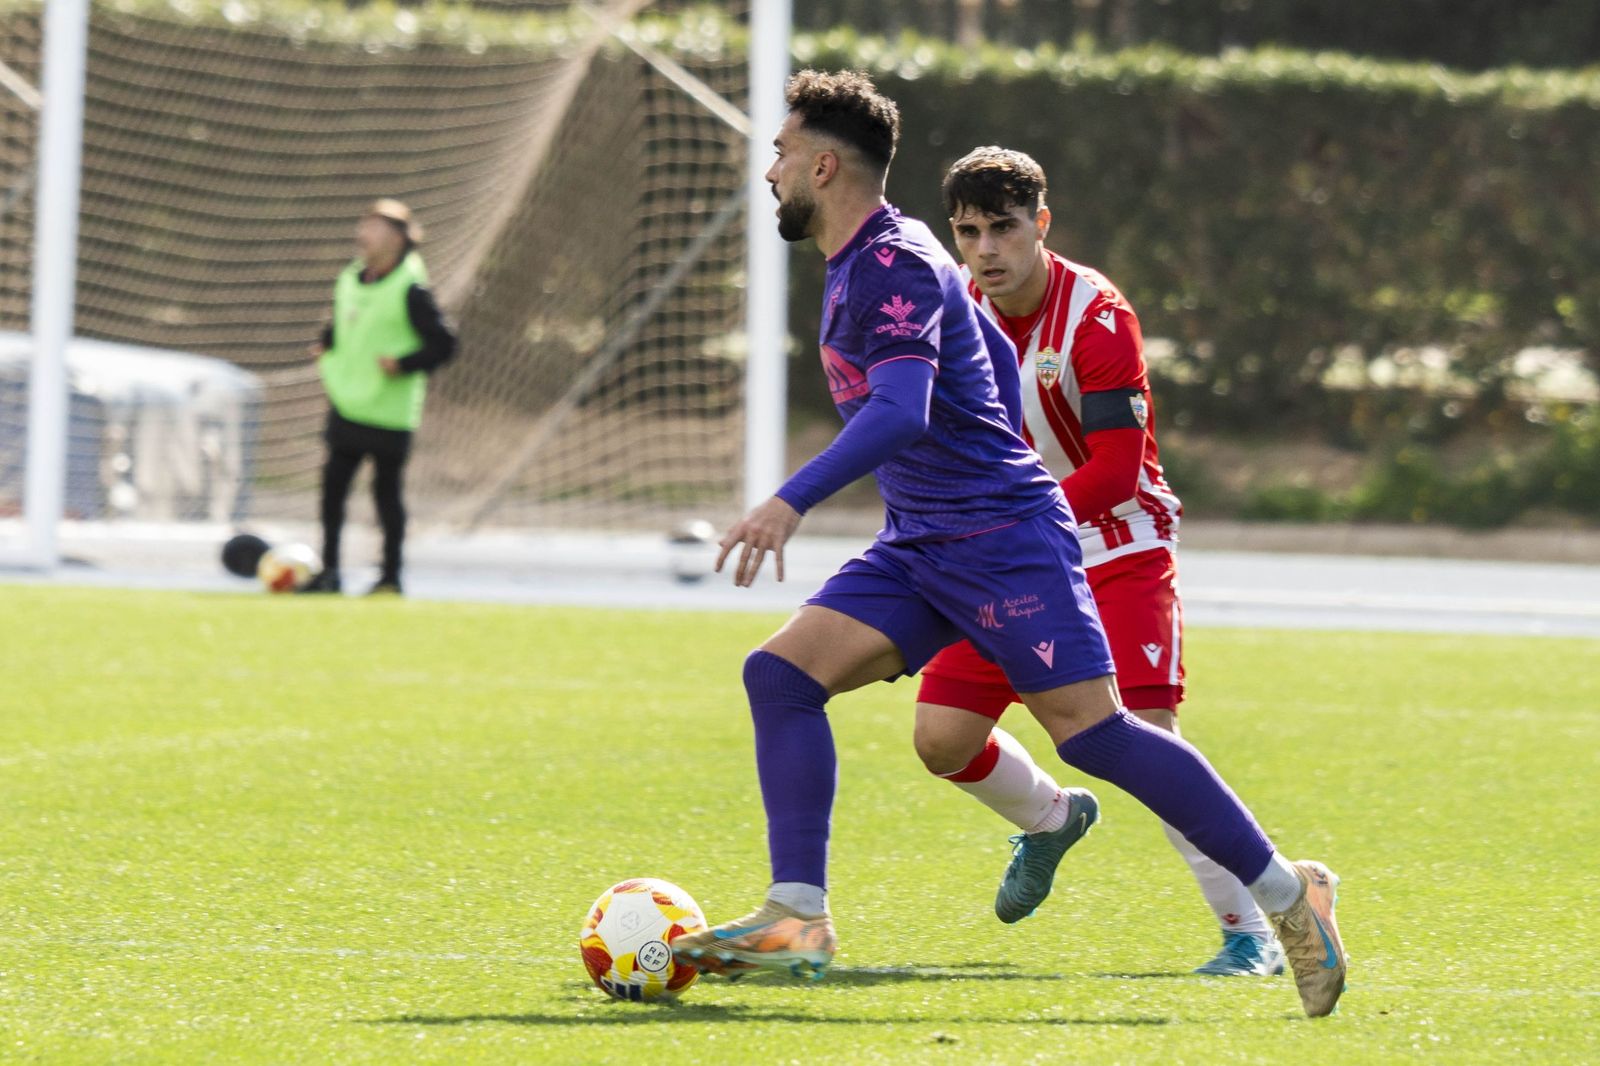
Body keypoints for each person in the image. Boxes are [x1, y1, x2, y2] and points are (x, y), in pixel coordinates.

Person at [668, 70, 1347, 1018]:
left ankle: (1286, 896)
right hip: (924, 543)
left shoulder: (893, 261)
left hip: (999, 538)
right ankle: (798, 918)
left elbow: (901, 412)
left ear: (823, 165)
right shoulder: (867, 262)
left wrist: (789, 500)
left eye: (780, 153)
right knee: (781, 677)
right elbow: (976, 365)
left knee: (1099, 736)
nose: (769, 169)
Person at [912, 146, 1284, 977]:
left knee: (1146, 735)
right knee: (941, 738)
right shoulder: (953, 312)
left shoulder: (1097, 315)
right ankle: (1050, 819)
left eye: (1003, 229)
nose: (985, 251)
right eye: (969, 232)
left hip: (1116, 547)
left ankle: (1250, 930)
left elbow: (1116, 468)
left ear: (1041, 225)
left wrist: (1011, 528)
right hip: (1010, 556)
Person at [304, 199, 456, 596]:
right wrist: (326, 342)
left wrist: (404, 364)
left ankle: (390, 577)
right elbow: (348, 324)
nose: (363, 235)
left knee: (386, 495)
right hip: (349, 401)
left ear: (398, 238)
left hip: (389, 412)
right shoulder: (353, 279)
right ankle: (330, 572)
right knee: (332, 490)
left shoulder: (411, 289)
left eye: (374, 228)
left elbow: (444, 344)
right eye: (363, 226)